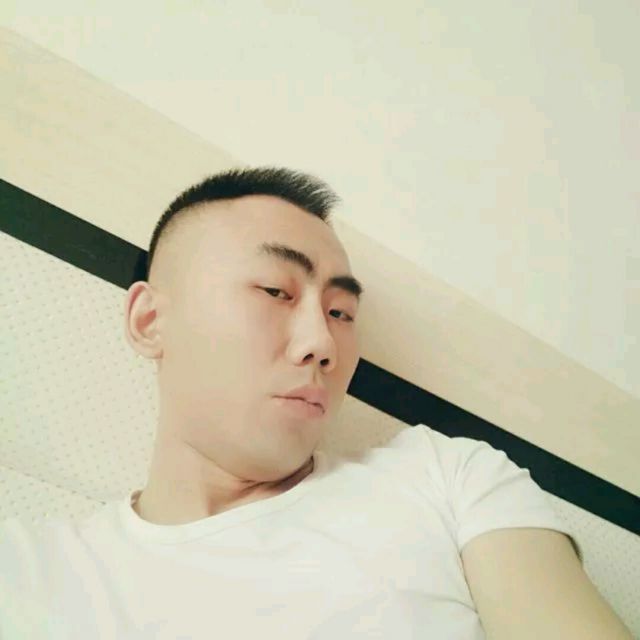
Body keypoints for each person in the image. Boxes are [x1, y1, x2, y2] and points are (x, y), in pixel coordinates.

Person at [0, 166, 585, 639]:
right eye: (276, 290)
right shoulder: (30, 574)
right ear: (150, 320)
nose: (322, 344)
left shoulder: (446, 480)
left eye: (341, 313)